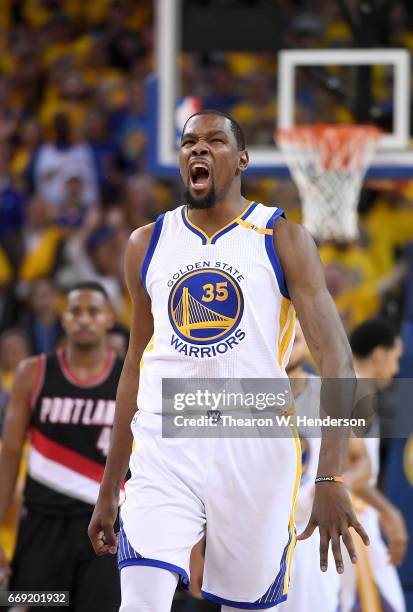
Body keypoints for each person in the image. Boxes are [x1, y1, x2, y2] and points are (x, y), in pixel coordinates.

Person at [88, 110, 369, 611]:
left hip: (254, 447)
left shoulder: (281, 239)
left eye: (214, 141)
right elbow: (135, 363)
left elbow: (338, 364)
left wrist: (329, 477)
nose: (198, 149)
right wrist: (110, 484)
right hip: (164, 445)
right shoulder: (146, 244)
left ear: (241, 160)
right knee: (140, 602)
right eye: (189, 142)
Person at [0, 281, 123, 611]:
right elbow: (9, 454)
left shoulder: (129, 377)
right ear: (63, 318)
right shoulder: (32, 372)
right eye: (75, 311)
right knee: (31, 606)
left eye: (93, 311)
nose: (84, 319)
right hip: (40, 526)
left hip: (106, 531)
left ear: (109, 318)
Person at [280, 321, 372, 612]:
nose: (284, 347)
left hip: (309, 529)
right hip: (254, 531)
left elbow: (362, 462)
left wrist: (331, 486)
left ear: (308, 343)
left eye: (294, 340)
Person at [340, 318, 407, 612]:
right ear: (379, 354)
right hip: (350, 522)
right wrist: (388, 511)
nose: (396, 369)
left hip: (353, 518)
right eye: (395, 359)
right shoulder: (354, 392)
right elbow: (345, 473)